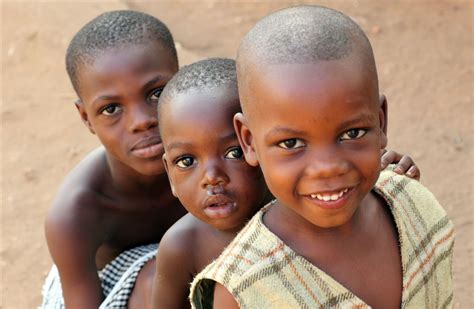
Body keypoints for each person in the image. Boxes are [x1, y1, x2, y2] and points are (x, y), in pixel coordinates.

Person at [190, 5, 454, 308]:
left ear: (380, 122)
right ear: (248, 141)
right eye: (291, 142)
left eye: (351, 134)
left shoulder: (417, 208)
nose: (327, 168)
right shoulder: (244, 290)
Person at [151, 58, 421, 309]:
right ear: (169, 173)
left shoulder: (304, 203)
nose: (212, 177)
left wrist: (384, 173)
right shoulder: (182, 245)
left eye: (234, 154)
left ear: (255, 146)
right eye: (186, 161)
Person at [42, 10, 186, 309]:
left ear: (182, 80)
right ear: (86, 118)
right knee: (164, 277)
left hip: (193, 260)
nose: (141, 121)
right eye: (111, 109)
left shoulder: (221, 155)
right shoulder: (76, 212)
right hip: (106, 290)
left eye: (157, 93)